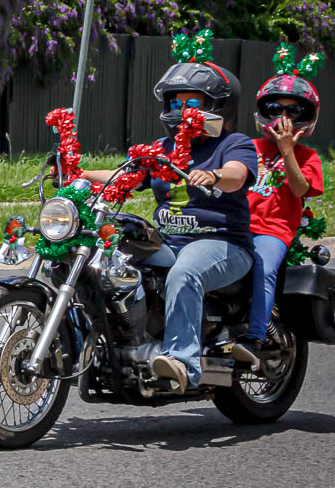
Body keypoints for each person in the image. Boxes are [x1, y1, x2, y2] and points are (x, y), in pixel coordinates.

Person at [82, 59, 257, 391]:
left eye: (192, 102)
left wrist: (214, 174)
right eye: (176, 103)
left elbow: (236, 175)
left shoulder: (233, 144)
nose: (182, 110)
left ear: (217, 104)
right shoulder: (161, 149)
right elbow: (124, 177)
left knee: (184, 273)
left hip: (224, 243)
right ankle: (132, 342)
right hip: (170, 242)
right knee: (115, 261)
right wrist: (80, 174)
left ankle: (182, 363)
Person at [235, 70, 324, 363]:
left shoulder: (308, 157)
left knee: (263, 268)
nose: (283, 117)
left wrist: (287, 151)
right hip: (236, 225)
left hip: (272, 230)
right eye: (275, 109)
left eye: (292, 110)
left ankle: (255, 338)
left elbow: (300, 189)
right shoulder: (247, 147)